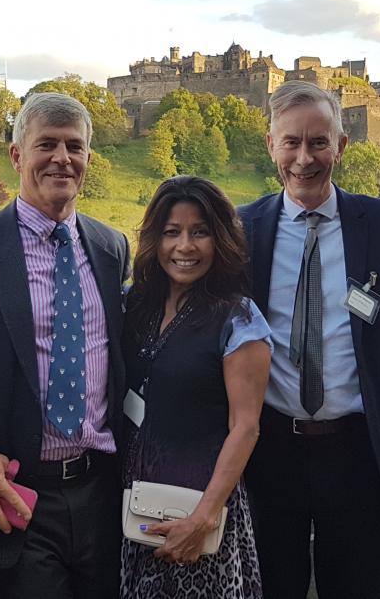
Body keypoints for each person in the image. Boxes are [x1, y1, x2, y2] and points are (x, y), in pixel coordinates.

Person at [0, 92, 130, 599]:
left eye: (74, 146)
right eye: (46, 145)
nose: (62, 158)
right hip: (12, 494)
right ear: (16, 156)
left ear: (89, 160)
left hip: (103, 494)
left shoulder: (111, 247)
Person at [238, 80, 380, 599]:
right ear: (271, 145)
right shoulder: (242, 229)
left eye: (319, 142)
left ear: (341, 146)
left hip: (358, 455)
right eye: (292, 143)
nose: (304, 158)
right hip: (268, 453)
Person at [121, 176, 271, 598]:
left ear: (220, 238)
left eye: (199, 232)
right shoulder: (134, 304)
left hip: (200, 517)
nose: (184, 247)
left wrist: (203, 517)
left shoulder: (238, 319)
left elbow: (246, 427)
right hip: (133, 514)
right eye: (172, 232)